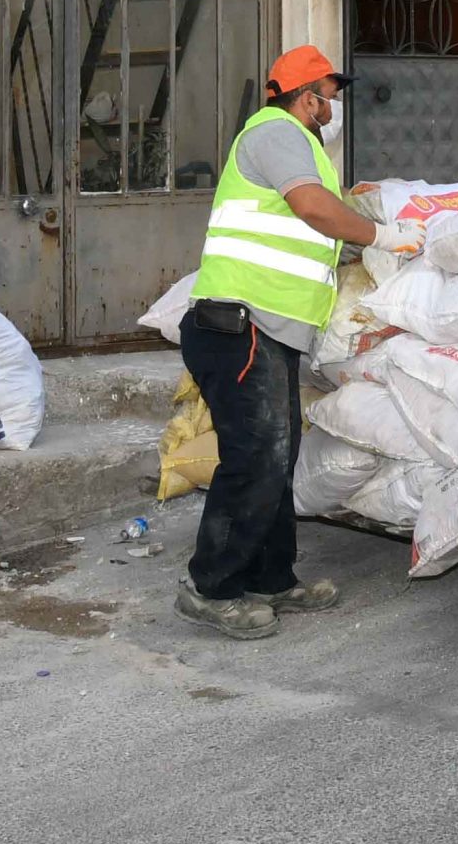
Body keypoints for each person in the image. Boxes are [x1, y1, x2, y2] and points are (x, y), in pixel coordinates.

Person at [174, 44, 425, 640]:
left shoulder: (299, 145)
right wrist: (382, 235)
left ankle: (270, 577)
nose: (333, 109)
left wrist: (363, 245)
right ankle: (211, 588)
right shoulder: (276, 131)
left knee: (276, 458)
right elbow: (311, 208)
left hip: (270, 332)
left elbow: (311, 230)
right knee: (255, 459)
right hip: (240, 326)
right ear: (307, 96)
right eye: (330, 98)